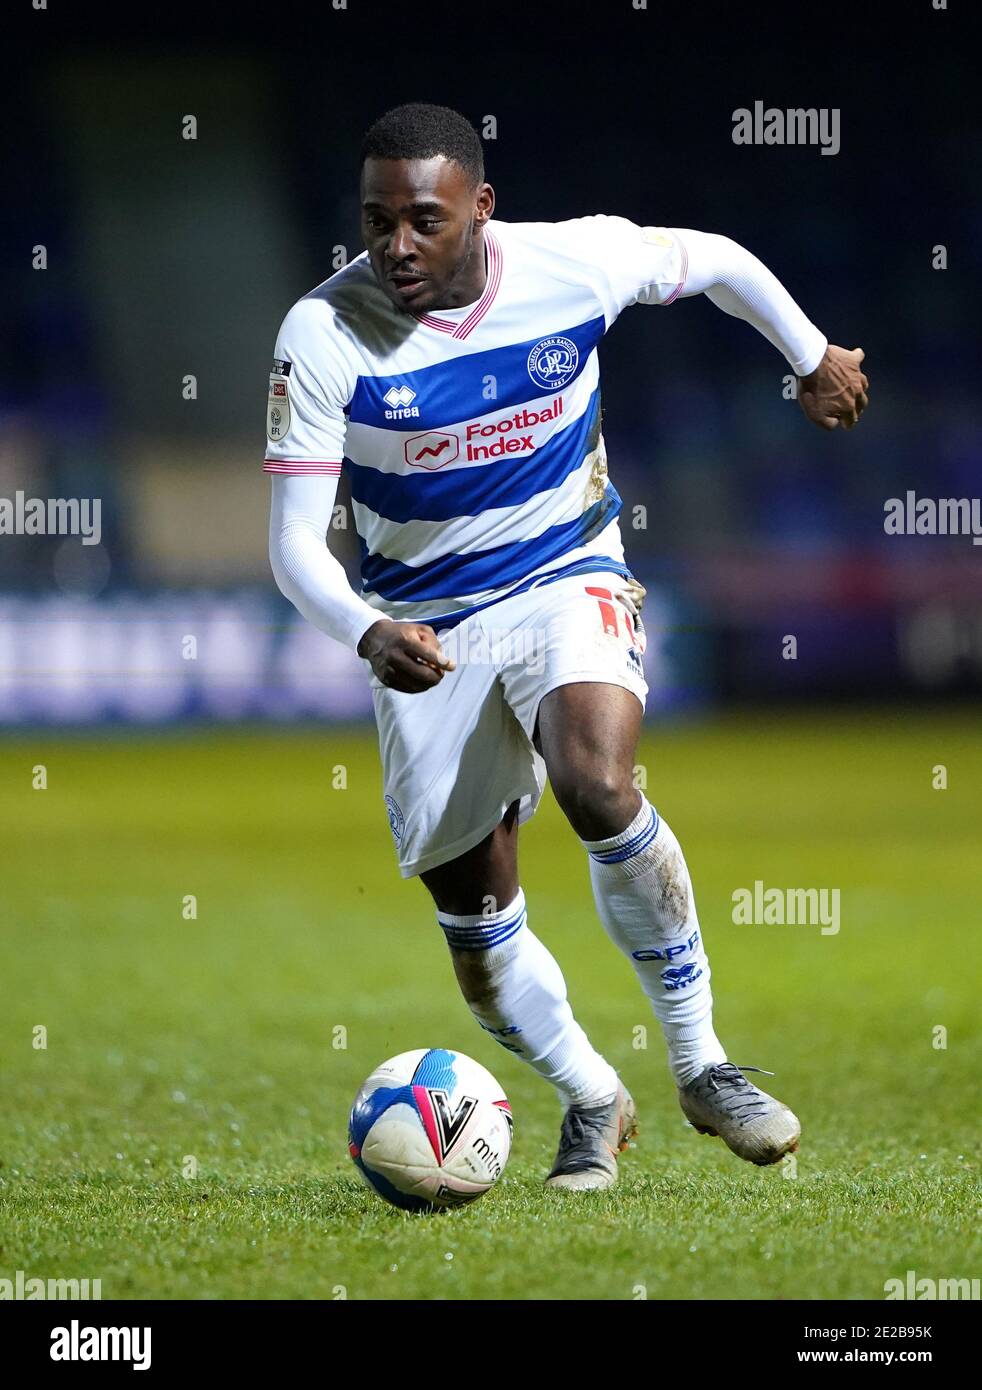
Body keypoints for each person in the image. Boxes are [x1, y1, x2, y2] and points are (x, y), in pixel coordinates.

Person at [266, 103, 868, 1190]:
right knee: (477, 931)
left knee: (598, 781)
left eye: (423, 220)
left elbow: (717, 259)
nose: (395, 246)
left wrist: (810, 352)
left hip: (566, 572)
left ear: (481, 211)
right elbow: (291, 548)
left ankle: (703, 1064)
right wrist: (367, 629)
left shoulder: (571, 263)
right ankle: (593, 1095)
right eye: (375, 222)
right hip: (422, 626)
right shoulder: (322, 332)